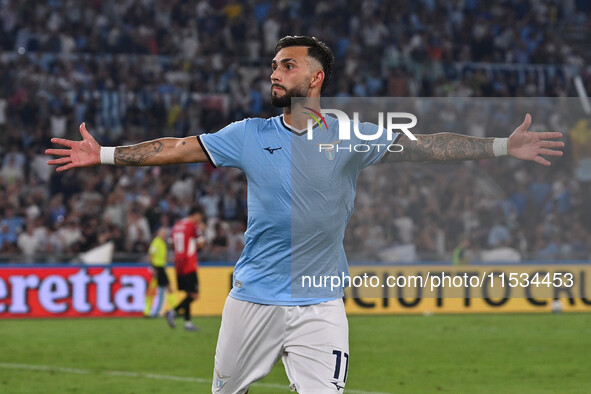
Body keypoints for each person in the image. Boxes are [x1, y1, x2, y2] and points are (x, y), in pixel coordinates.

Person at [46, 36, 564, 393]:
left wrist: (499, 145)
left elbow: (425, 144)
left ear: (315, 77)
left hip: (320, 302)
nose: (275, 71)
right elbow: (177, 146)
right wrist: (107, 153)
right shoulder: (248, 134)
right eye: (273, 65)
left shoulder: (351, 136)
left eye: (286, 64)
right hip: (252, 299)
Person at [167, 206, 205, 332]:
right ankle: (173, 312)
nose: (200, 219)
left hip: (178, 264)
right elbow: (201, 243)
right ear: (195, 214)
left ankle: (188, 323)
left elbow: (172, 244)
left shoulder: (177, 225)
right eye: (200, 217)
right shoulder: (193, 226)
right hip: (189, 264)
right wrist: (202, 231)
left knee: (188, 293)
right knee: (194, 295)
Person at [143, 227, 175, 318]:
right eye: (163, 233)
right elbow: (150, 254)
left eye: (165, 233)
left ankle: (147, 310)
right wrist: (153, 268)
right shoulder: (156, 242)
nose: (164, 235)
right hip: (157, 268)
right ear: (158, 233)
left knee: (154, 289)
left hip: (161, 267)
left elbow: (162, 257)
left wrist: (171, 260)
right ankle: (175, 309)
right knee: (167, 288)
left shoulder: (162, 243)